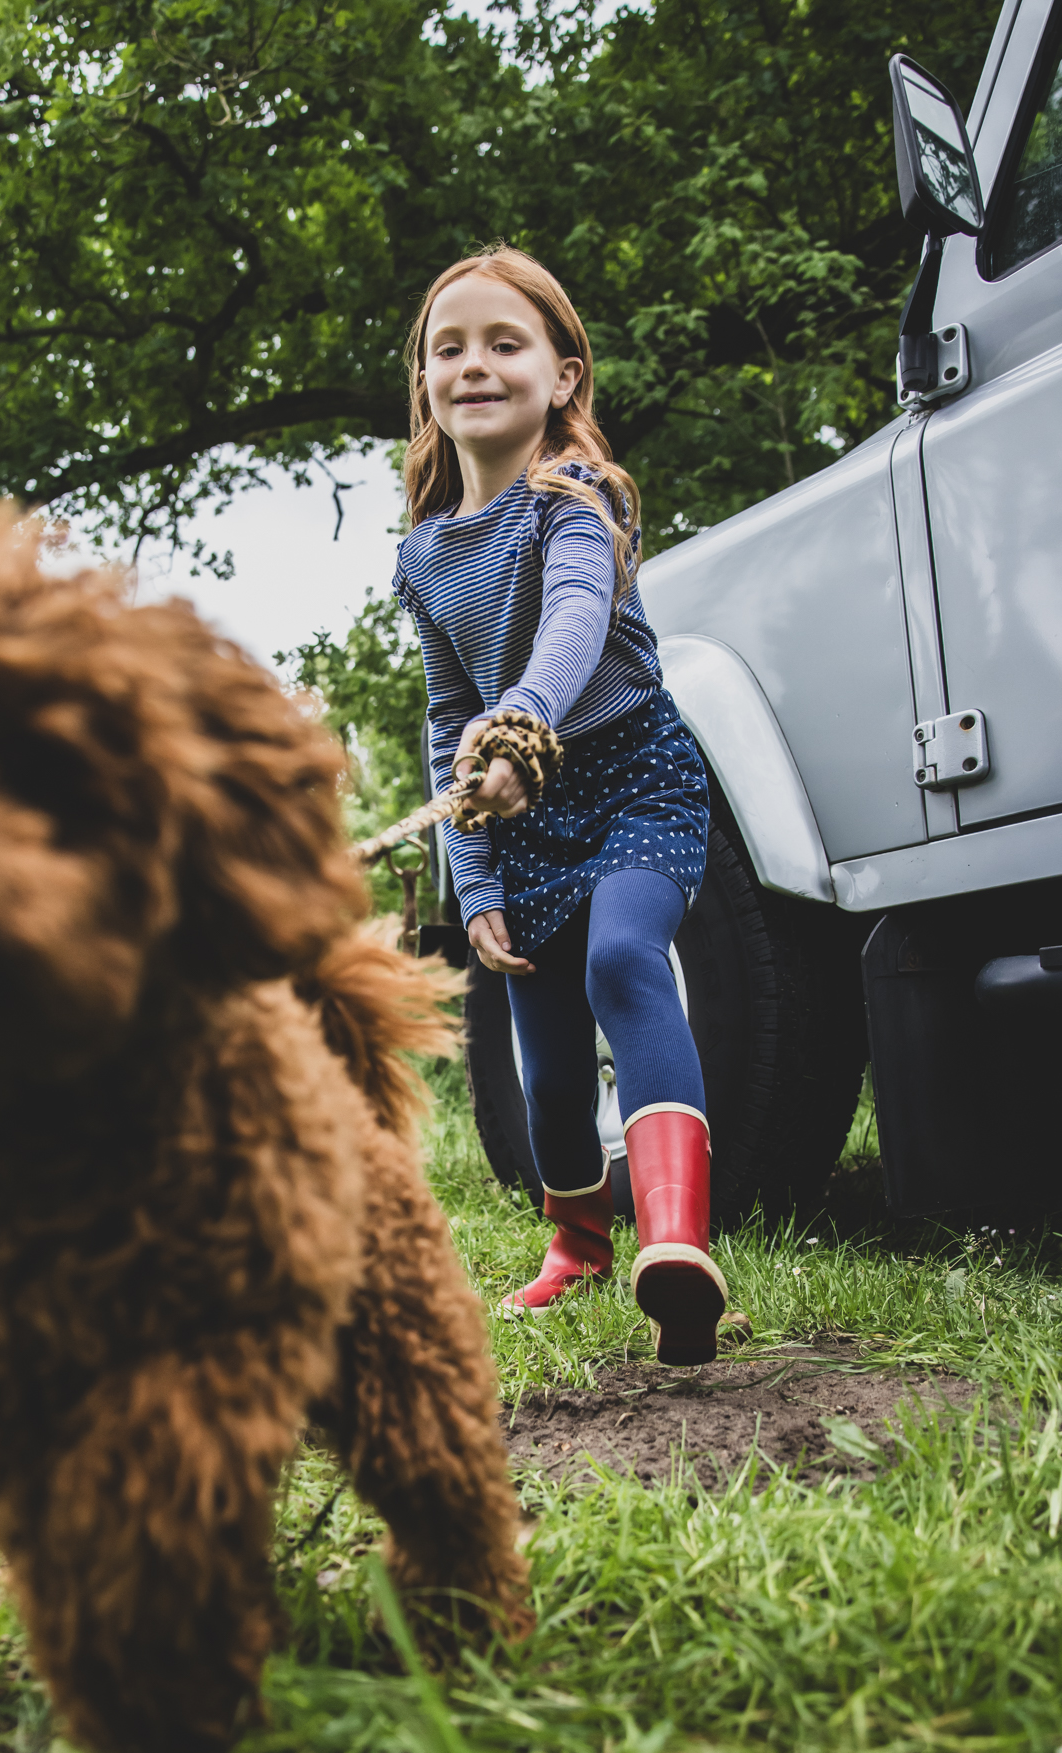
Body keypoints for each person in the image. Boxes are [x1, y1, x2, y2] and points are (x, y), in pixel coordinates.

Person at [392, 245, 728, 1366]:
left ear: (564, 377)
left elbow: (576, 620)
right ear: (428, 385)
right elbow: (448, 714)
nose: (474, 364)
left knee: (623, 962)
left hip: (633, 776)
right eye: (451, 348)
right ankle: (577, 1236)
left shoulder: (579, 503)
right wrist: (472, 875)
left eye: (505, 342)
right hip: (517, 818)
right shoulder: (426, 558)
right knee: (542, 1048)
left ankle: (677, 1243)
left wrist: (522, 718)